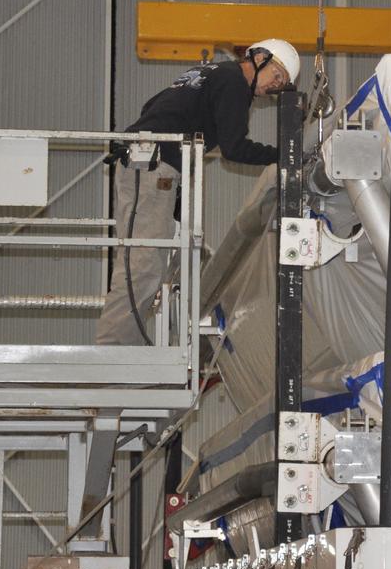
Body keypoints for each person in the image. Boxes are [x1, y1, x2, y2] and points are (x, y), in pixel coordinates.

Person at [96, 40, 301, 346]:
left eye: (281, 83)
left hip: (150, 165)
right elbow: (235, 148)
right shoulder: (234, 82)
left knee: (153, 259)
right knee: (144, 264)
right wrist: (287, 155)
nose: (274, 86)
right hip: (154, 167)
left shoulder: (211, 72)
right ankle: (114, 353)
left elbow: (152, 107)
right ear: (259, 57)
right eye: (277, 75)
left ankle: (123, 347)